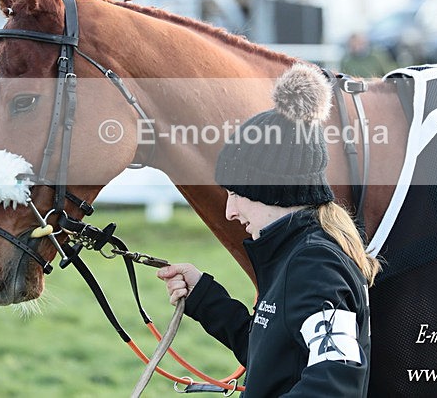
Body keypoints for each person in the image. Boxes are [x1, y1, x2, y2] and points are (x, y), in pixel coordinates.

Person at [157, 63, 379, 397]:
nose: (230, 212)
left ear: (271, 190)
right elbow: (274, 360)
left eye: (237, 194)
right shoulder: (297, 253)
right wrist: (204, 296)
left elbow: (335, 384)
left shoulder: (315, 265)